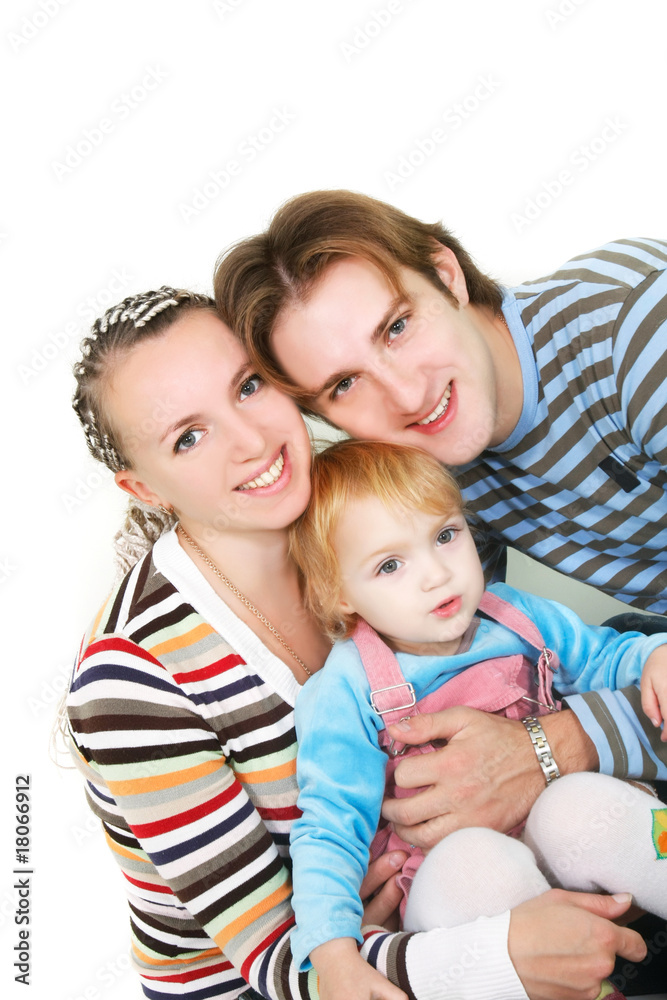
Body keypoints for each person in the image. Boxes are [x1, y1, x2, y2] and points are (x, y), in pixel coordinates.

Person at [66, 287, 649, 1000]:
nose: (250, 442)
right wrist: (484, 951)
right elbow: (287, 967)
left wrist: (556, 745)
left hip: (466, 885)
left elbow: (544, 669)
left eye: (248, 387)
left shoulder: (386, 521)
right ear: (143, 487)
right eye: (189, 437)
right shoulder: (131, 680)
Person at [213, 191, 667, 847]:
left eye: (396, 327)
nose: (405, 394)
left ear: (445, 275)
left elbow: (539, 742)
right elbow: (446, 667)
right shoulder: (429, 462)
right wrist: (366, 867)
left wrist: (555, 747)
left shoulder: (633, 326)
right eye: (344, 385)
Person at [286, 438, 667, 1000]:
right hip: (455, 886)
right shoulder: (347, 688)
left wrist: (651, 656)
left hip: (553, 841)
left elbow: (604, 657)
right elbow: (330, 825)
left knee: (584, 803)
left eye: (445, 535)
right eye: (390, 564)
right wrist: (333, 953)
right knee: (475, 862)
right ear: (339, 594)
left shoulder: (516, 615)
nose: (437, 574)